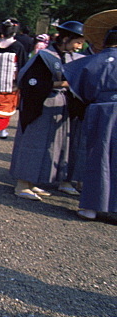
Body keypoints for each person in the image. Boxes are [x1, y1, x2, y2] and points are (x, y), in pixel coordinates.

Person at [10, 21, 85, 200]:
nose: (79, 47)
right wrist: (62, 84)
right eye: (78, 42)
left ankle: (33, 181)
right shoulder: (45, 56)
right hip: (41, 104)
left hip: (59, 105)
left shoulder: (68, 56)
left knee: (51, 146)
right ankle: (22, 183)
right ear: (65, 39)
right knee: (34, 143)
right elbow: (29, 82)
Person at [64, 20, 117, 220]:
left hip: (98, 110)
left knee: (96, 155)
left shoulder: (89, 61)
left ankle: (90, 207)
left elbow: (80, 90)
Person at [0, 18, 27, 141]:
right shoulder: (17, 46)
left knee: (0, 103)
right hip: (11, 82)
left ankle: (2, 129)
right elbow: (23, 63)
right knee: (3, 105)